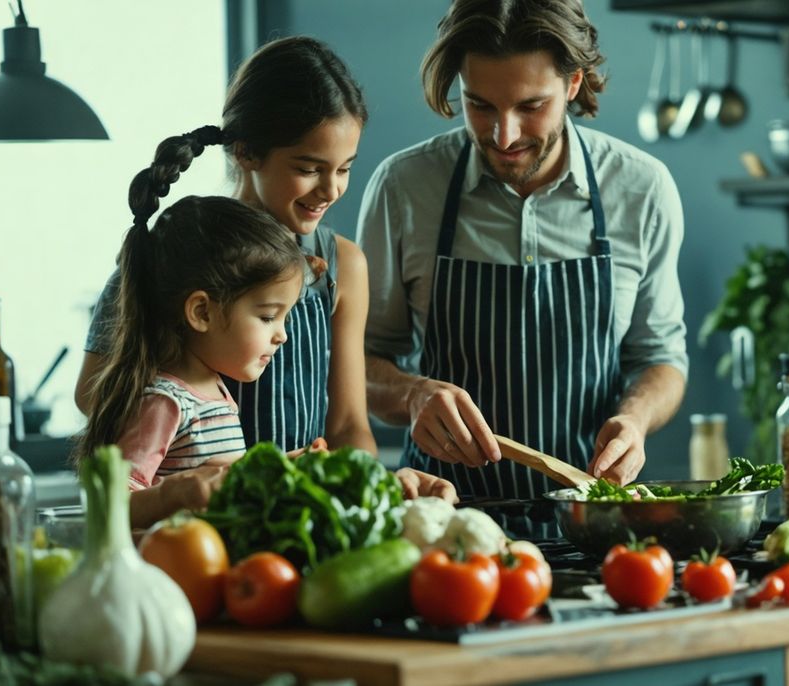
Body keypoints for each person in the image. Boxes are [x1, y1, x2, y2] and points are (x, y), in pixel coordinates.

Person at [76, 36, 456, 504]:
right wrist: (190, 456)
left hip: (298, 514)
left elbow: (347, 426)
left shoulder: (343, 265)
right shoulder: (176, 253)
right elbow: (96, 395)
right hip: (199, 519)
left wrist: (366, 486)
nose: (331, 189)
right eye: (309, 168)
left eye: (344, 169)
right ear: (246, 152)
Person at [358, 0, 688, 501]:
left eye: (531, 107)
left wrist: (635, 418)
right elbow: (359, 364)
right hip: (441, 515)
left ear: (573, 84)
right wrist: (412, 395)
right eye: (480, 105)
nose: (504, 135)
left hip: (589, 518)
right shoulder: (403, 187)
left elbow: (661, 357)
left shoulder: (641, 188)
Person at [76, 127, 308, 528]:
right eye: (268, 316)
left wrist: (282, 468)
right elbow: (110, 505)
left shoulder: (214, 392)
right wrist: (177, 493)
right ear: (201, 312)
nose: (281, 334)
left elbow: (218, 481)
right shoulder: (165, 403)